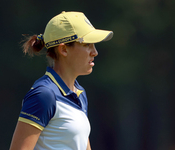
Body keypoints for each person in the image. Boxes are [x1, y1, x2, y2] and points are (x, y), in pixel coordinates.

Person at [9, 11, 113, 150]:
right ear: (64, 49)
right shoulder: (44, 95)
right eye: (87, 44)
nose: (94, 52)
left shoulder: (79, 93)